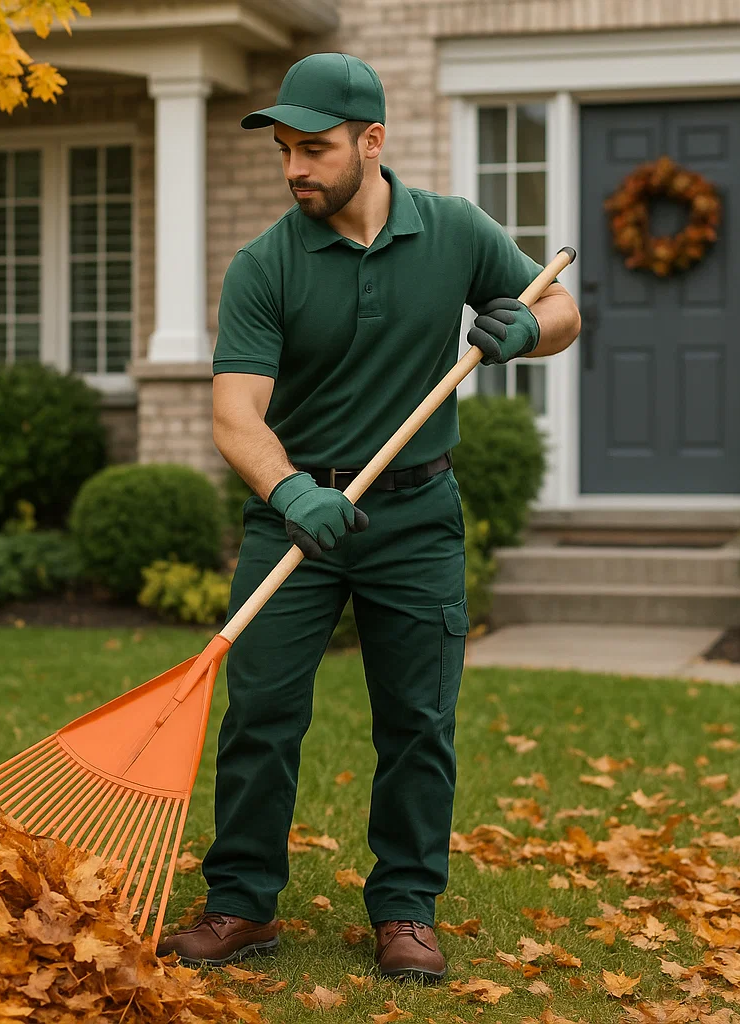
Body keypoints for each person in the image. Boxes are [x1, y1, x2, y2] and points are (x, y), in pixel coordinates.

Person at [154, 52, 581, 983]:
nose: (295, 168)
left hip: (417, 513)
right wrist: (290, 489)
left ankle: (404, 911)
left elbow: (563, 310)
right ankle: (241, 903)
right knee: (261, 713)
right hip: (294, 513)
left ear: (372, 142)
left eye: (314, 148)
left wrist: (524, 331)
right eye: (285, 152)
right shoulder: (265, 263)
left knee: (418, 718)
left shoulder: (455, 231)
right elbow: (236, 416)